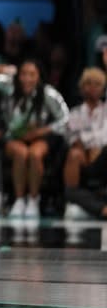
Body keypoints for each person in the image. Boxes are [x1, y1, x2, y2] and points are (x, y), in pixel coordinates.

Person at [0, 59, 69, 218]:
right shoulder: (9, 89)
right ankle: (19, 199)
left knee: (34, 154)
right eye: (23, 74)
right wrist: (4, 69)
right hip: (14, 137)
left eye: (32, 74)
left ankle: (33, 199)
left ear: (39, 76)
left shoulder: (48, 93)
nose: (27, 79)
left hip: (40, 137)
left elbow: (65, 118)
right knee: (21, 153)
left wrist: (41, 131)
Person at [63, 67, 107, 219]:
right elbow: (73, 139)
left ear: (103, 88)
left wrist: (95, 147)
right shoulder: (75, 113)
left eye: (97, 84)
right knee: (74, 154)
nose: (93, 87)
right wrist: (91, 147)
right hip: (85, 160)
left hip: (103, 159)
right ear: (82, 88)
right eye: (88, 83)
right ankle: (73, 200)